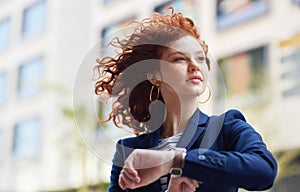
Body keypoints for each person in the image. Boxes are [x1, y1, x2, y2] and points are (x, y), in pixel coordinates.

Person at [94, 10, 277, 192]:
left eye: (200, 58)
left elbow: (264, 170)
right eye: (180, 58)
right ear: (154, 75)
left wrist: (176, 161)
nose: (194, 66)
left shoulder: (226, 128)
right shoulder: (128, 151)